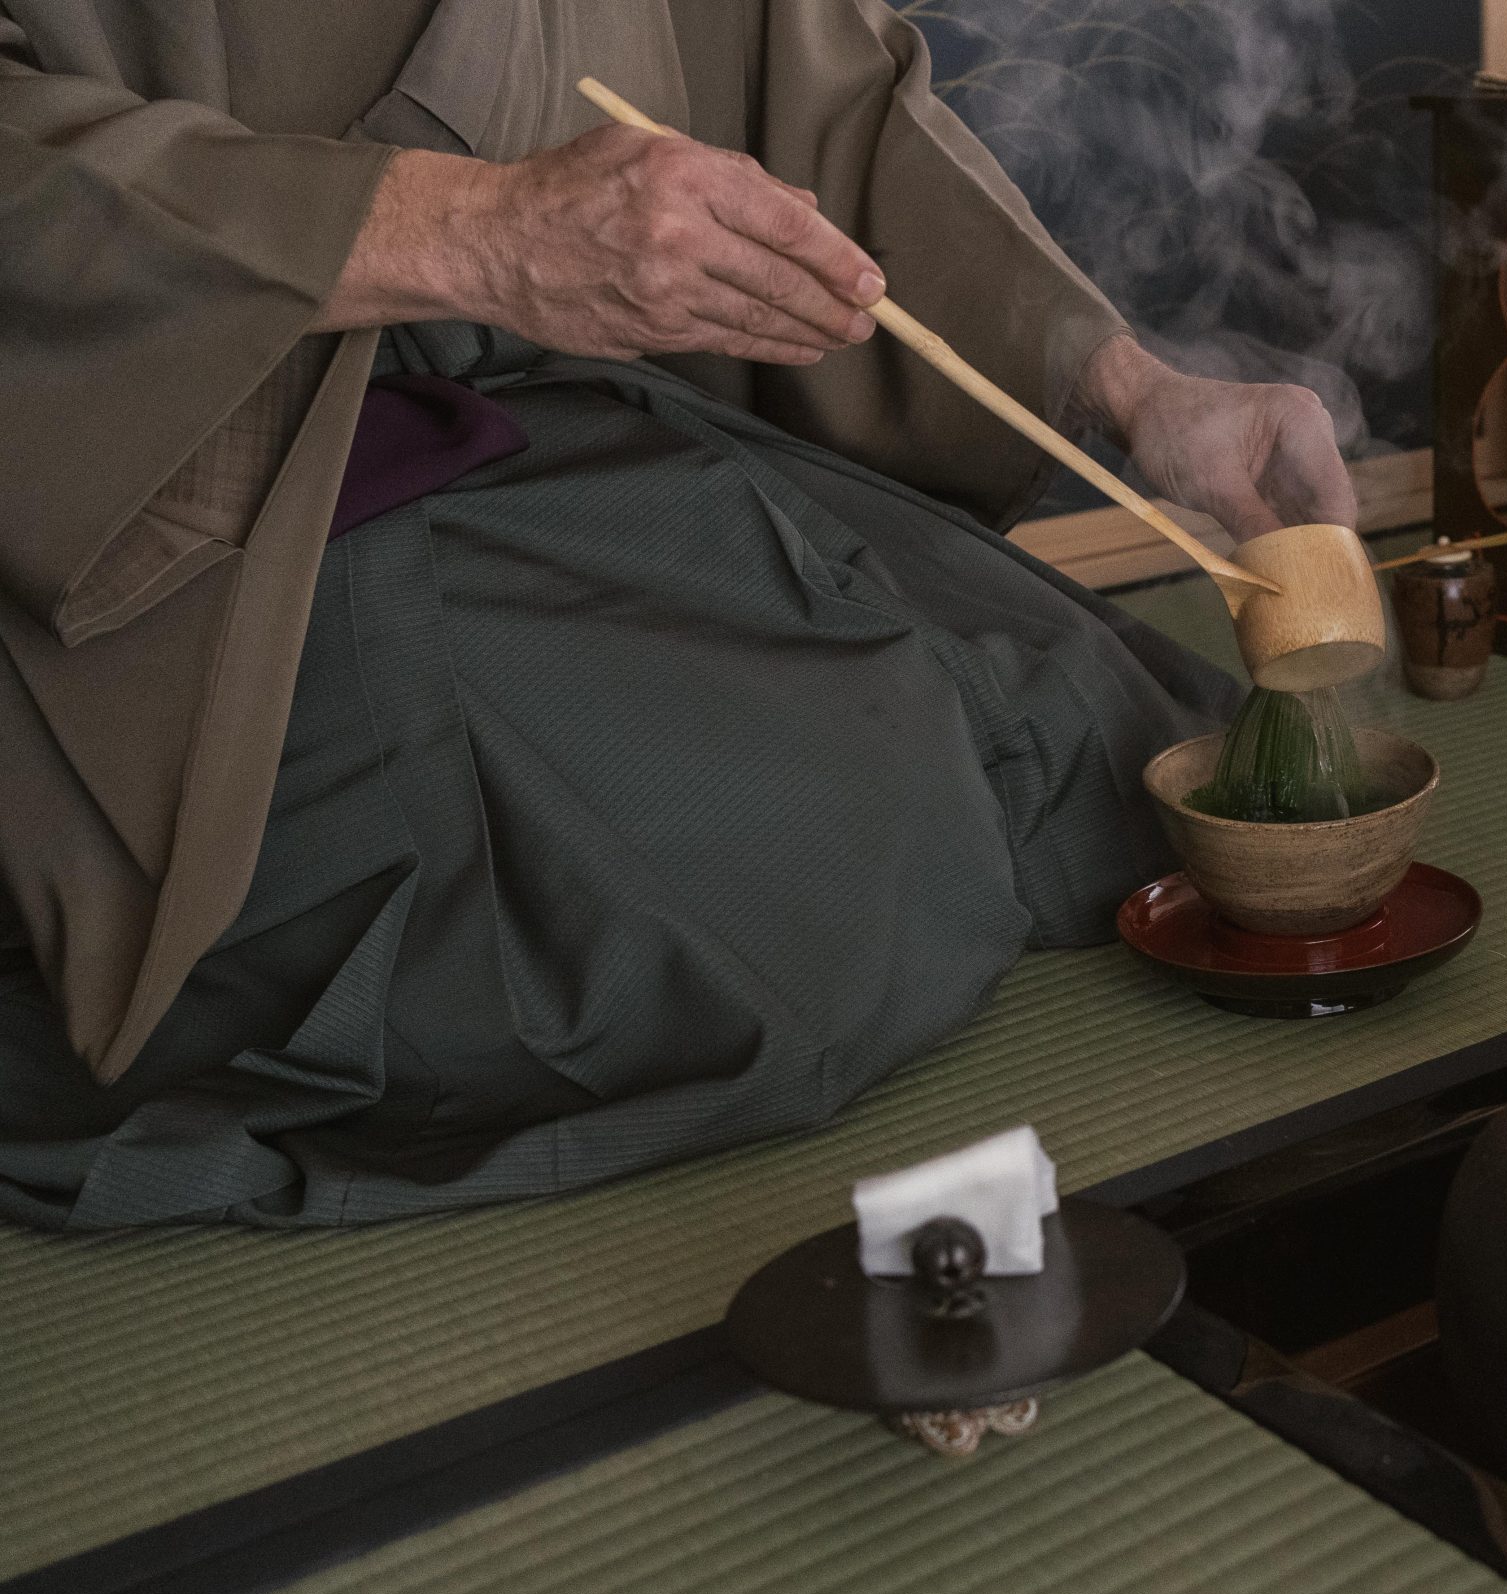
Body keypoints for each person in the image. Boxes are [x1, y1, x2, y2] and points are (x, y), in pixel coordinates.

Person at [0, 0, 1360, 1228]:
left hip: (566, 412)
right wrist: (459, 230)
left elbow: (816, 91)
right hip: (233, 482)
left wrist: (1135, 389)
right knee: (830, 874)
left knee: (1116, 739)